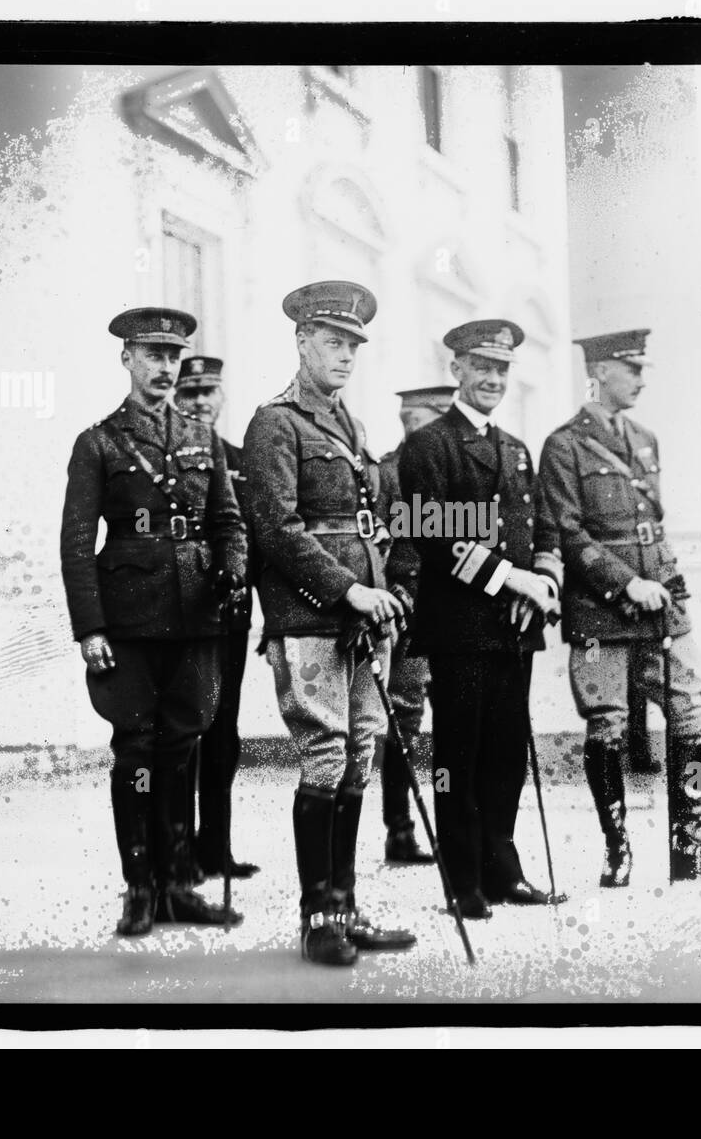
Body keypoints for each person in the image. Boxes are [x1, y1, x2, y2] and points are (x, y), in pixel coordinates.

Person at [537, 328, 701, 886]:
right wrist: (623, 582)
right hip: (600, 607)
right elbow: (566, 531)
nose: (640, 379)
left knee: (689, 706)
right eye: (631, 368)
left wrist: (669, 585)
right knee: (606, 722)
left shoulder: (645, 437)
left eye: (642, 369)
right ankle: (618, 850)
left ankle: (692, 846)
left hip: (661, 601)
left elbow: (651, 524)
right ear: (601, 370)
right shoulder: (563, 445)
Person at [243, 280, 416, 966]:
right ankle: (319, 918)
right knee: (325, 753)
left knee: (362, 752)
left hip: (365, 617)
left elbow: (372, 521)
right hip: (312, 615)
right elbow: (277, 530)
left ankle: (344, 906)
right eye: (333, 342)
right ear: (302, 342)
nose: (345, 355)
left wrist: (384, 590)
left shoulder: (351, 426)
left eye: (353, 345)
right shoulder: (275, 423)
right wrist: (349, 591)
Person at [60, 307, 248, 937]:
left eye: (173, 356)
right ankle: (139, 886)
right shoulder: (99, 443)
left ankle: (178, 884)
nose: (166, 367)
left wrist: (233, 568)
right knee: (135, 752)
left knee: (182, 747)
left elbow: (227, 521)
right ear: (128, 360)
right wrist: (90, 629)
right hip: (131, 621)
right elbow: (77, 541)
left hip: (197, 617)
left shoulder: (202, 437)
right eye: (153, 355)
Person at [399, 318, 563, 920]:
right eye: (482, 367)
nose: (493, 378)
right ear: (457, 371)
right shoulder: (430, 446)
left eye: (502, 369)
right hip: (461, 628)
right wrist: (511, 579)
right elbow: (432, 536)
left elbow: (544, 528)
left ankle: (503, 869)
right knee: (456, 757)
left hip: (516, 628)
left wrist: (543, 582)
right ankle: (462, 878)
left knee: (506, 751)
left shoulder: (516, 450)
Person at [172, 356, 259, 881]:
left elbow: (259, 540)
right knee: (186, 731)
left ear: (222, 397)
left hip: (232, 616)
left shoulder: (243, 461)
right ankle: (180, 852)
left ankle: (216, 847)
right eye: (190, 392)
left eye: (208, 392)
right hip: (182, 615)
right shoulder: (169, 458)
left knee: (224, 733)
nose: (200, 401)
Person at [374, 385, 458, 865]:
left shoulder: (455, 472)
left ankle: (452, 828)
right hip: (409, 614)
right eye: (434, 419)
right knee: (404, 720)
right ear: (409, 421)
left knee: (454, 720)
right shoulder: (389, 472)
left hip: (456, 613)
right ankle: (400, 831)